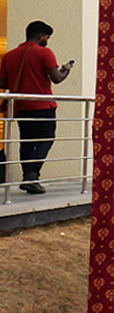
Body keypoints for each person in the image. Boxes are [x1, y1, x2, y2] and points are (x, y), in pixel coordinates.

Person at [0, 20, 73, 194]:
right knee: (46, 139)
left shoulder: (9, 56)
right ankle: (32, 175)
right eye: (47, 37)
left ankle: (29, 177)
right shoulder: (44, 52)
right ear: (40, 35)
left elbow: (3, 82)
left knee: (26, 141)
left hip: (21, 106)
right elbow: (56, 78)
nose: (47, 40)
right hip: (42, 105)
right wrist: (66, 70)